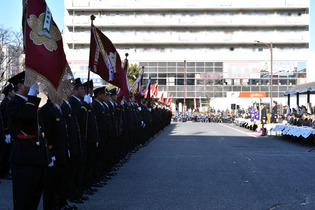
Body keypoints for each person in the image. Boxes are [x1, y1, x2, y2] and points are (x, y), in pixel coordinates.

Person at [7, 71, 47, 209]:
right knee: (23, 197)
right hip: (23, 156)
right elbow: (26, 117)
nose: (33, 86)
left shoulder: (29, 102)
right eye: (29, 83)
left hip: (35, 155)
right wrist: (31, 98)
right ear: (20, 86)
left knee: (34, 195)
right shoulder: (13, 103)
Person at [0, 83, 15, 179]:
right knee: (4, 154)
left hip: (8, 131)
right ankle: (3, 172)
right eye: (12, 91)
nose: (14, 93)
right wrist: (7, 133)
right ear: (8, 93)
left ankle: (6, 171)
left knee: (8, 153)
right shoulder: (5, 103)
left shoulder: (9, 102)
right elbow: (5, 119)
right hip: (6, 132)